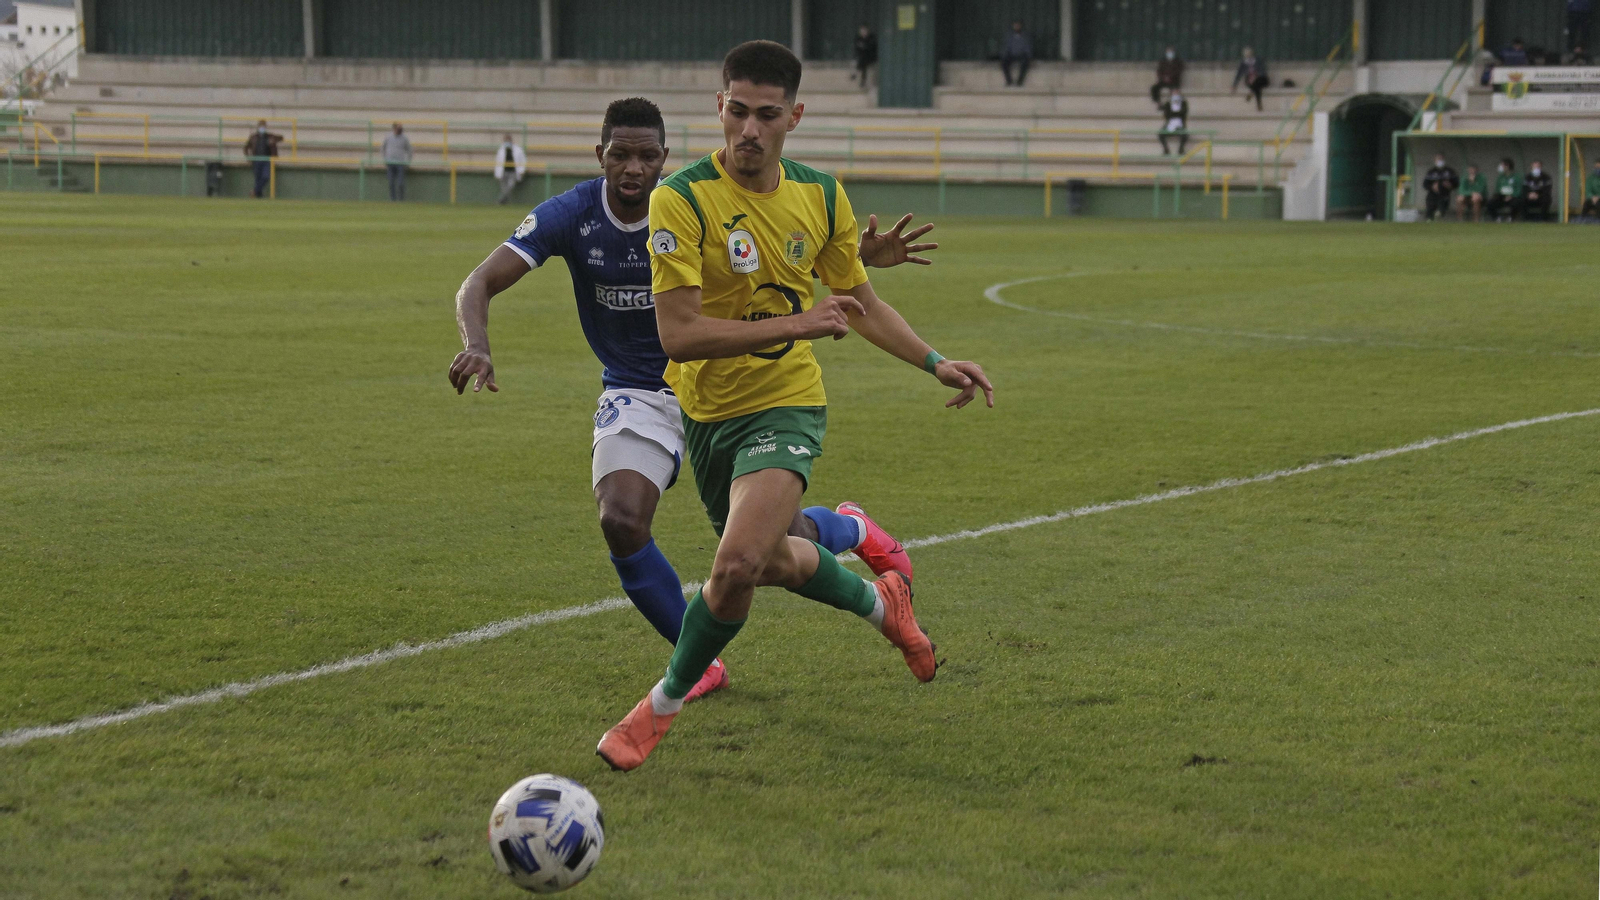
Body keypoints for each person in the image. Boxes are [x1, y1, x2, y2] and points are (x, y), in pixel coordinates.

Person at [449, 97, 940, 711]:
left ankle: (853, 527)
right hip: (639, 390)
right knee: (621, 518)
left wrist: (858, 259)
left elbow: (771, 254)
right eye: (620, 154)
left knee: (776, 547)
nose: (633, 167)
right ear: (599, 156)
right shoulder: (570, 214)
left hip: (728, 382)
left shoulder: (694, 203)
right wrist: (478, 346)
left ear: (664, 160)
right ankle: (695, 660)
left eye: (647, 156)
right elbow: (480, 280)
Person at [595, 41, 993, 772]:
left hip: (788, 404)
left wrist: (935, 362)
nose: (749, 129)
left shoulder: (821, 195)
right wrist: (799, 321)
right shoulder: (679, 198)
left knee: (737, 563)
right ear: (719, 107)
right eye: (737, 111)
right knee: (770, 559)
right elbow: (678, 336)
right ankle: (883, 602)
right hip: (709, 415)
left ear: (794, 117)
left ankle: (658, 709)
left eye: (767, 115)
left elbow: (860, 302)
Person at [242, 120, 282, 199]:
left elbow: (281, 138)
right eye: (261, 127)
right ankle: (258, 196)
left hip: (267, 160)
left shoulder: (269, 136)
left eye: (263, 127)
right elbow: (246, 147)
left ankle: (254, 191)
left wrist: (273, 140)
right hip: (256, 160)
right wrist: (248, 157)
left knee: (266, 176)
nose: (262, 128)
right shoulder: (253, 137)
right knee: (258, 178)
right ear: (258, 127)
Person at [1422, 154, 1458, 220]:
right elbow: (1425, 185)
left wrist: (1450, 185)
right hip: (1432, 194)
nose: (1440, 161)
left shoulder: (1450, 171)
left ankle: (1439, 216)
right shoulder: (1431, 171)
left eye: (1441, 159)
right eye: (1438, 159)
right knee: (1430, 207)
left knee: (1441, 210)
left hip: (1444, 194)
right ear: (1435, 160)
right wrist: (1432, 187)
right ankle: (1429, 220)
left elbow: (1456, 183)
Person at [493, 134, 526, 205]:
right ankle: (504, 201)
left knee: (510, 186)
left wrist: (522, 170)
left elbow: (523, 160)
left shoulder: (518, 149)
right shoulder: (501, 150)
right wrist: (496, 173)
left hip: (513, 172)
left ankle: (500, 201)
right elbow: (498, 161)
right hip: (503, 171)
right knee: (504, 188)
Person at [382, 123, 412, 202]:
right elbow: (383, 148)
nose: (400, 130)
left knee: (400, 183)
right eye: (398, 129)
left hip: (400, 163)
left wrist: (408, 161)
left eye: (401, 129)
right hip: (390, 163)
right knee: (391, 182)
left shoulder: (404, 138)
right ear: (394, 129)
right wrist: (385, 159)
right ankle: (393, 200)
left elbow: (409, 150)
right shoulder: (388, 137)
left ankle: (401, 200)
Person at [1000, 20, 1032, 87]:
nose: (1016, 27)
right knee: (1004, 63)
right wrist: (1005, 55)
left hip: (1022, 55)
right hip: (1012, 55)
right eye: (1015, 25)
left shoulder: (1025, 36)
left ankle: (1019, 82)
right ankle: (1009, 81)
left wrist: (1028, 56)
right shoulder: (1010, 36)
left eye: (1018, 25)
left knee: (1025, 64)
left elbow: (1027, 47)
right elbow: (1007, 47)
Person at [1158, 90, 1188, 156]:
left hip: (1180, 123)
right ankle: (1166, 150)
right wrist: (1177, 113)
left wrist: (1174, 113)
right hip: (1170, 123)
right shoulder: (1168, 104)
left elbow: (1184, 112)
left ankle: (1181, 150)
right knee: (1161, 134)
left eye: (1177, 94)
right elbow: (1167, 114)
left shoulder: (1183, 103)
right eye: (1174, 94)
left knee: (1185, 135)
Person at [853, 24, 877, 92]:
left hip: (871, 57)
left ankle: (856, 74)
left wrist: (864, 47)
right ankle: (862, 80)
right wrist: (863, 47)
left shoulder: (871, 37)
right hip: (862, 57)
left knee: (863, 61)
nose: (863, 32)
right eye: (862, 31)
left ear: (867, 31)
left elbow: (870, 47)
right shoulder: (858, 38)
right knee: (862, 61)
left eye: (864, 30)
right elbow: (858, 47)